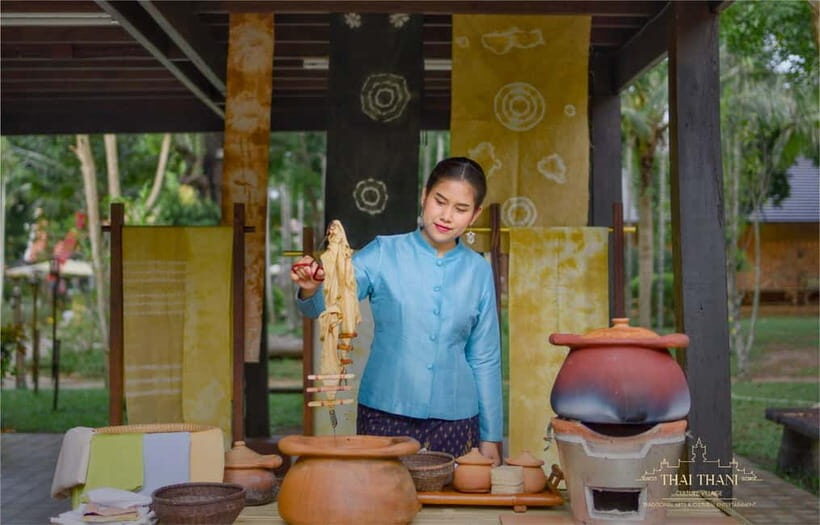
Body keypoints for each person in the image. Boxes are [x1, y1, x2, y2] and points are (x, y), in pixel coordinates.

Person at [291, 157, 503, 464]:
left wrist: (491, 436)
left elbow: (484, 357)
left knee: (452, 505)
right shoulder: (382, 253)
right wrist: (311, 287)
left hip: (456, 420)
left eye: (461, 209)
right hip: (383, 413)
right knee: (377, 501)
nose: (446, 216)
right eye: (439, 201)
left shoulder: (478, 271)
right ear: (424, 195)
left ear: (475, 214)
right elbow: (329, 304)